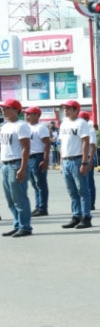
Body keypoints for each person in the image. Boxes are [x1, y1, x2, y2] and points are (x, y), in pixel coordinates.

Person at [57, 99, 92, 230]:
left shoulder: (81, 123)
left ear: (76, 110)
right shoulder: (64, 123)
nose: (65, 111)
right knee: (72, 191)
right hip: (66, 160)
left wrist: (84, 161)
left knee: (82, 190)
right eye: (64, 108)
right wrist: (61, 162)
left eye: (68, 108)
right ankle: (76, 215)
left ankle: (86, 217)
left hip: (77, 160)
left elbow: (85, 142)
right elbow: (62, 144)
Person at [1, 98, 32, 237]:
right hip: (5, 164)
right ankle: (17, 224)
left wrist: (22, 168)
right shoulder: (5, 126)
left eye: (6, 108)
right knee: (10, 199)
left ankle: (25, 226)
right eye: (3, 108)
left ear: (16, 110)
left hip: (16, 163)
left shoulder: (21, 125)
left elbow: (26, 147)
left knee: (19, 197)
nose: (3, 110)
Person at [23, 106, 50, 217]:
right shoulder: (26, 127)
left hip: (38, 156)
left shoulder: (41, 127)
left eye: (29, 114)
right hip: (29, 157)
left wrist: (45, 160)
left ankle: (43, 207)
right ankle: (38, 206)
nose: (26, 115)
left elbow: (47, 144)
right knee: (34, 184)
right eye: (26, 113)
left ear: (36, 115)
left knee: (40, 183)